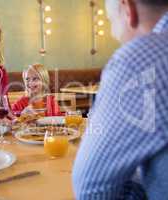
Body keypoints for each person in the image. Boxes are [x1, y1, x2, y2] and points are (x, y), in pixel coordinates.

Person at [72, 0, 168, 199]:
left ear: (128, 9)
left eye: (111, 22)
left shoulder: (142, 59)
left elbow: (91, 191)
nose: (115, 35)